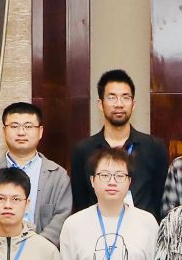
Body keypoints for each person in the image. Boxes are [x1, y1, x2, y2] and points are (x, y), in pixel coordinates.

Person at [0, 102, 73, 245]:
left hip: (43, 253)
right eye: (14, 126)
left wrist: (34, 248)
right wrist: (8, 247)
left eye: (28, 126)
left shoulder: (58, 176)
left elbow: (62, 217)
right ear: (4, 131)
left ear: (40, 131)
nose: (21, 132)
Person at [68, 69, 169, 214]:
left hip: (142, 227)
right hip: (97, 226)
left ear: (133, 104)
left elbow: (158, 199)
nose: (119, 104)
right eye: (112, 97)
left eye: (125, 97)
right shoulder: (83, 150)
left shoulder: (154, 148)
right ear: (100, 104)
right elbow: (81, 202)